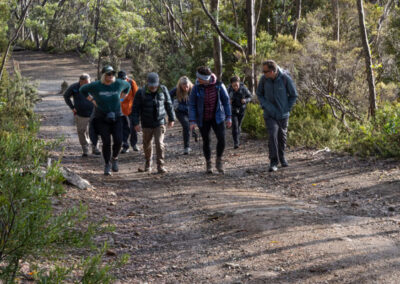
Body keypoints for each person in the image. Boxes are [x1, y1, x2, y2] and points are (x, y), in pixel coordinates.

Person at [80, 66, 131, 175]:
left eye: (112, 73)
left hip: (117, 116)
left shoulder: (119, 83)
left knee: (118, 140)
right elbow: (82, 89)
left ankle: (115, 158)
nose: (111, 75)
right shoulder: (96, 85)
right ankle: (107, 164)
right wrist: (92, 100)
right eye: (108, 74)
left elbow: (128, 85)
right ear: (103, 75)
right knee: (106, 142)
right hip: (102, 117)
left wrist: (122, 97)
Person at [256, 59, 298, 172]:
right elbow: (259, 93)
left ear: (273, 71)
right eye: (263, 71)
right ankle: (273, 162)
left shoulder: (285, 78)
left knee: (282, 136)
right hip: (269, 114)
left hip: (283, 114)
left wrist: (286, 108)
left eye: (265, 71)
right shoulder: (264, 79)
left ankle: (282, 158)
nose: (263, 73)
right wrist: (265, 105)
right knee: (272, 135)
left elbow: (294, 95)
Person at [189, 66, 232, 174]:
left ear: (206, 79)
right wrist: (192, 121)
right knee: (206, 140)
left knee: (221, 139)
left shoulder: (219, 85)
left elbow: (226, 101)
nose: (198, 80)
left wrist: (229, 117)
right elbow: (192, 104)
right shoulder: (196, 88)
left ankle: (219, 160)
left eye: (200, 78)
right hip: (203, 118)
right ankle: (208, 163)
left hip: (218, 117)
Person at [131, 72, 175, 173]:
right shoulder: (140, 92)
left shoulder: (163, 89)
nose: (153, 87)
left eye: (155, 85)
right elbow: (135, 109)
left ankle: (160, 165)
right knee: (147, 144)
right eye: (151, 86)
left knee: (159, 143)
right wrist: (136, 123)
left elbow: (169, 104)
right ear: (148, 83)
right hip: (146, 123)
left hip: (159, 122)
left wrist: (172, 118)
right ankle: (148, 163)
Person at [63, 73, 101, 156]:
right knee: (82, 131)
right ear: (81, 81)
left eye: (89, 81)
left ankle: (95, 147)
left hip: (94, 112)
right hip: (80, 113)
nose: (88, 83)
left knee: (95, 130)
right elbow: (66, 96)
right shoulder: (74, 87)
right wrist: (72, 107)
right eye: (86, 82)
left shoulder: (93, 87)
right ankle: (85, 148)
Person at [169, 76, 198, 155]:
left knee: (195, 125)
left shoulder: (194, 89)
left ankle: (195, 135)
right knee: (186, 125)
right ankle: (186, 147)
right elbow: (168, 95)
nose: (186, 87)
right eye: (184, 86)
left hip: (191, 111)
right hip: (180, 111)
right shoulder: (177, 90)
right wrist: (173, 104)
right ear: (180, 85)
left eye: (187, 86)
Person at [117, 70, 139, 153]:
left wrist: (137, 108)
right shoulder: (116, 84)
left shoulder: (131, 82)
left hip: (131, 108)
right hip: (120, 109)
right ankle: (125, 146)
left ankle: (134, 144)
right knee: (123, 128)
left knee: (133, 127)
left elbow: (137, 95)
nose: (124, 80)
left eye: (124, 78)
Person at [228, 76, 252, 149]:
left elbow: (250, 97)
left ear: (239, 83)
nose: (235, 87)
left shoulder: (244, 88)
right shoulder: (229, 89)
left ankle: (237, 138)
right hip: (233, 110)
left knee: (238, 126)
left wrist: (245, 100)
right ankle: (236, 142)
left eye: (237, 85)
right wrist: (228, 101)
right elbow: (224, 98)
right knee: (235, 125)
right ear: (231, 84)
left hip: (241, 109)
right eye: (234, 85)